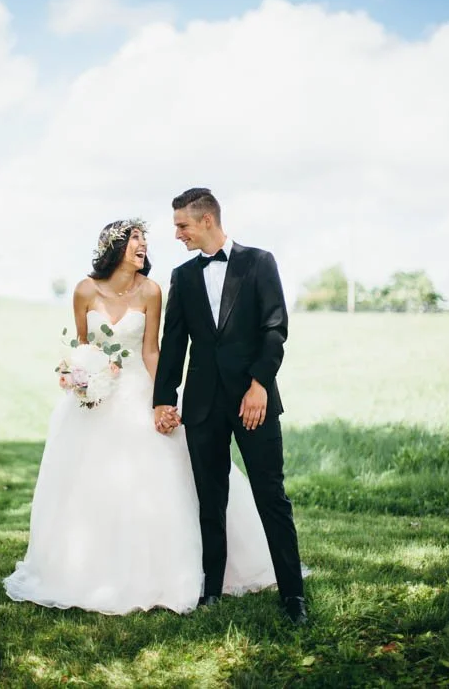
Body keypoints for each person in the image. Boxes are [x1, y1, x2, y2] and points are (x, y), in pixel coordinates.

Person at [3, 218, 280, 614]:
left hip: (137, 389)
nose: (144, 246)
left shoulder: (152, 291)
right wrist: (78, 375)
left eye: (144, 240)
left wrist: (164, 400)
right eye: (136, 239)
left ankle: (178, 571)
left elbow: (152, 349)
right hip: (93, 401)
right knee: (87, 482)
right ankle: (85, 569)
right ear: (115, 246)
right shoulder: (84, 290)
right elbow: (83, 346)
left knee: (164, 471)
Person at [153, 189, 307, 624]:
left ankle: (293, 596)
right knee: (210, 500)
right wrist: (164, 399)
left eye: (182, 225)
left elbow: (275, 328)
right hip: (202, 406)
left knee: (270, 496)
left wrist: (260, 384)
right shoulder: (182, 277)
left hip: (253, 401)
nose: (177, 234)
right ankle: (212, 591)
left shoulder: (259, 263)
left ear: (206, 221)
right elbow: (173, 345)